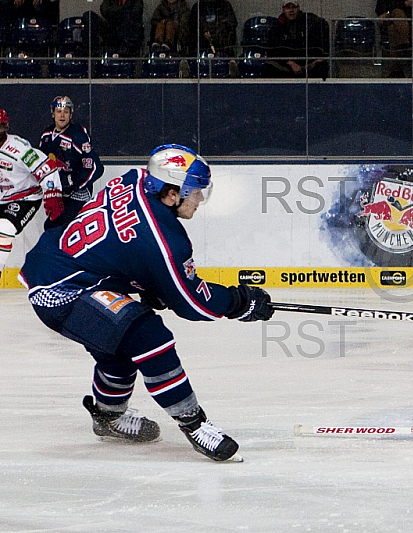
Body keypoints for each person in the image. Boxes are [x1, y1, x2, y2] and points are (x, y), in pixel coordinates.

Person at [19, 144, 275, 462]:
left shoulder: (135, 178)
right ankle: (194, 425)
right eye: (194, 192)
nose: (199, 199)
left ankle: (108, 417)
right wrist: (239, 302)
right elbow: (191, 303)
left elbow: (119, 244)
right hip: (64, 290)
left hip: (54, 263)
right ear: (169, 193)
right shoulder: (164, 240)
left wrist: (145, 283)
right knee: (147, 334)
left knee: (117, 349)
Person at [0, 107, 64, 279]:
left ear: (4, 127)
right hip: (2, 197)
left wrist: (52, 193)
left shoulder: (18, 149)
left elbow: (47, 168)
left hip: (24, 197)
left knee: (4, 229)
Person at [38, 96, 104, 229]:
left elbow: (96, 168)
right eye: (58, 111)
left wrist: (74, 184)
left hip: (77, 194)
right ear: (53, 113)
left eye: (66, 112)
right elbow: (41, 163)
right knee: (51, 227)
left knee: (61, 227)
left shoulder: (78, 135)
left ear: (71, 114)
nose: (62, 115)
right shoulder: (46, 135)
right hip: (57, 192)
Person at [265, 1, 329, 79]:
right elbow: (272, 51)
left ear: (298, 8)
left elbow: (322, 41)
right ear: (283, 9)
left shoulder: (310, 21)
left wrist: (318, 59)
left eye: (294, 7)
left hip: (308, 64)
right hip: (286, 66)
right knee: (268, 68)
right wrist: (290, 63)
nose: (291, 10)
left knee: (322, 66)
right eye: (288, 7)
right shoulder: (276, 26)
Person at [375, 0, 413, 77]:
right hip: (389, 19)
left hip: (411, 23)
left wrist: (390, 9)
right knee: (397, 13)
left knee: (392, 29)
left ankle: (396, 70)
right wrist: (404, 4)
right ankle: (405, 45)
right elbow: (380, 9)